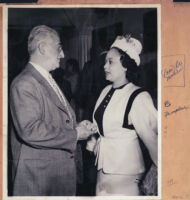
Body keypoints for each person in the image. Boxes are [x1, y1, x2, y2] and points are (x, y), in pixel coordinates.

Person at [9, 25, 97, 196]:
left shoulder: (45, 78)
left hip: (54, 177)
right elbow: (30, 130)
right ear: (42, 48)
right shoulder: (24, 83)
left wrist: (77, 126)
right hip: (39, 181)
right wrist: (75, 134)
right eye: (59, 48)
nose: (63, 54)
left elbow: (52, 120)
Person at [86, 35, 157, 196]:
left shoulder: (138, 96)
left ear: (125, 65)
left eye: (110, 62)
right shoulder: (105, 90)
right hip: (103, 168)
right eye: (105, 61)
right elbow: (103, 126)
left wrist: (161, 170)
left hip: (126, 172)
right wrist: (92, 135)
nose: (105, 66)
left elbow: (152, 138)